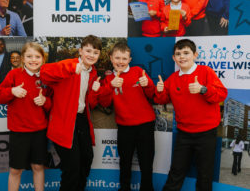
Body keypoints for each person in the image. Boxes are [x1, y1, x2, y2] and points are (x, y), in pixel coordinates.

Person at [154, 39, 228, 191]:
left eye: (186, 53)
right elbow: (161, 100)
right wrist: (160, 89)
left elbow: (222, 94)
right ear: (174, 58)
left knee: (205, 175)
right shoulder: (173, 78)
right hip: (184, 134)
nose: (182, 57)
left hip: (206, 133)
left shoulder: (205, 71)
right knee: (176, 172)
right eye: (178, 54)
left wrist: (203, 90)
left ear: (195, 55)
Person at [40, 35, 102, 191]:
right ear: (80, 51)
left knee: (87, 159)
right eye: (88, 51)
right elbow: (44, 73)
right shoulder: (70, 64)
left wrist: (94, 92)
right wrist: (70, 69)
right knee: (72, 167)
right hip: (63, 121)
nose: (91, 55)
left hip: (81, 120)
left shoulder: (93, 73)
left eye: (95, 52)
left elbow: (91, 104)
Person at [98, 42, 156, 191]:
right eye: (117, 58)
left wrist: (148, 84)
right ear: (111, 58)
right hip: (124, 127)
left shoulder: (138, 71)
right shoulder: (107, 79)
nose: (121, 62)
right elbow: (104, 103)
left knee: (146, 162)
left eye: (124, 58)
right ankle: (124, 188)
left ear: (130, 59)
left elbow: (153, 95)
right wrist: (111, 85)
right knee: (125, 162)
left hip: (145, 125)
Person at [0, 42, 51, 191]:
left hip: (39, 131)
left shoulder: (47, 77)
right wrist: (12, 91)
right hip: (19, 132)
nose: (33, 60)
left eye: (37, 56)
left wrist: (45, 101)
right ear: (23, 59)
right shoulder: (14, 74)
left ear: (43, 59)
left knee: (38, 167)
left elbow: (53, 104)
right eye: (29, 56)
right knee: (15, 170)